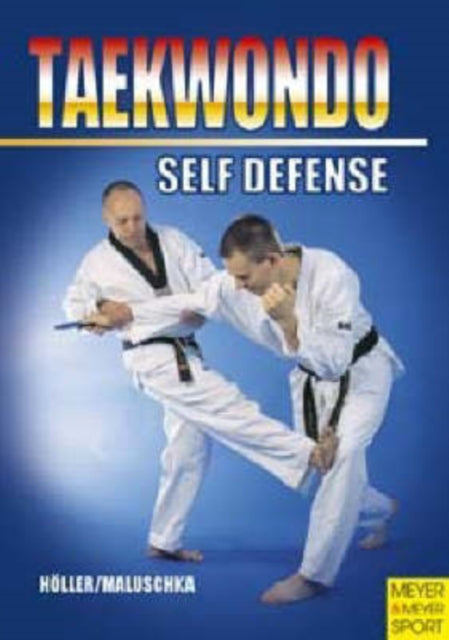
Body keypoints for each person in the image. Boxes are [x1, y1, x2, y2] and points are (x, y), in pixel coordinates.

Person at [63, 182, 338, 565]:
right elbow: (75, 308)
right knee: (228, 407)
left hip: (185, 349)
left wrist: (196, 305)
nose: (133, 227)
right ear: (106, 219)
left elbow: (210, 286)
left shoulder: (173, 240)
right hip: (151, 356)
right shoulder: (96, 263)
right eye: (122, 221)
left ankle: (163, 539)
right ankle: (308, 454)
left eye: (138, 217)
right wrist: (99, 310)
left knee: (187, 449)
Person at [212, 214, 404, 604]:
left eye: (244, 277)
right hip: (313, 386)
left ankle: (313, 575)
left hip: (362, 373)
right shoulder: (245, 276)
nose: (238, 286)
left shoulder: (333, 275)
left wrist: (288, 322)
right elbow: (200, 294)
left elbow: (335, 363)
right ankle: (382, 509)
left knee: (345, 454)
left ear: (271, 260)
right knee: (323, 469)